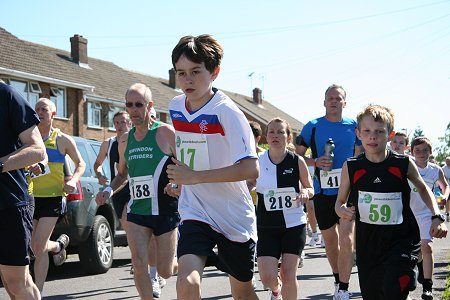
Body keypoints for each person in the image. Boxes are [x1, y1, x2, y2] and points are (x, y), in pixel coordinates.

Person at [167, 34, 259, 300]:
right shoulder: (175, 107)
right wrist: (181, 180)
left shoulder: (228, 113)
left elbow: (251, 169)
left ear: (214, 72)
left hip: (233, 217)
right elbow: (193, 151)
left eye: (196, 72)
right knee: (186, 283)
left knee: (241, 292)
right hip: (195, 211)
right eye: (181, 73)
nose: (188, 80)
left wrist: (195, 177)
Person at [335, 104, 448, 300]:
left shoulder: (402, 163)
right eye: (367, 131)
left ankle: (409, 274)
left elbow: (423, 189)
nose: (373, 137)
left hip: (400, 239)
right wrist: (342, 210)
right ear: (358, 133)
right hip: (368, 243)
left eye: (379, 131)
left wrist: (437, 216)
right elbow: (339, 202)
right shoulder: (351, 166)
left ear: (390, 134)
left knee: (395, 286)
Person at [96, 83, 179, 300]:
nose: (133, 110)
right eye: (129, 105)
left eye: (138, 104)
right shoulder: (125, 141)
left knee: (165, 271)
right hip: (138, 211)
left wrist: (178, 186)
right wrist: (108, 190)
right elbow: (122, 175)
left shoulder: (165, 133)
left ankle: (177, 258)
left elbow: (186, 166)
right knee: (139, 263)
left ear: (150, 106)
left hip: (165, 210)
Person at [295, 84, 362, 299]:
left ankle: (344, 286)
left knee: (346, 241)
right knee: (331, 242)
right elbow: (296, 158)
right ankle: (337, 279)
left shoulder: (355, 126)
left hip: (349, 191)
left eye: (338, 98)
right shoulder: (312, 126)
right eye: (330, 98)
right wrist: (315, 161)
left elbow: (362, 157)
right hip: (322, 192)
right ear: (324, 102)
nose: (334, 101)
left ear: (345, 102)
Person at [31, 98, 86, 294]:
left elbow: (81, 164)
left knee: (38, 246)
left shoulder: (62, 139)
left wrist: (73, 181)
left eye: (43, 109)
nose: (39, 112)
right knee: (36, 246)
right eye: (36, 109)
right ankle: (58, 246)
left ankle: (37, 292)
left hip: (53, 198)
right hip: (30, 198)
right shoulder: (29, 139)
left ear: (53, 114)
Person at [255, 117, 314, 299]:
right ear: (266, 136)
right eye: (271, 131)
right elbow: (248, 182)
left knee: (288, 275)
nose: (275, 135)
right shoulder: (258, 160)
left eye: (280, 132)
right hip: (266, 226)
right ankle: (275, 289)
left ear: (288, 137)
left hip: (293, 224)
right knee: (266, 278)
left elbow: (310, 188)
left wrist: (305, 193)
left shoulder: (296, 161)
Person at [0, 82, 46, 299]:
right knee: (9, 282)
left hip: (9, 204)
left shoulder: (7, 95)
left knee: (17, 283)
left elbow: (38, 150)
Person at [409, 136, 449, 299]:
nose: (421, 153)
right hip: (408, 213)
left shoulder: (435, 170)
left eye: (425, 150)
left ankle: (427, 287)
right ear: (412, 152)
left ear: (430, 152)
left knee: (427, 247)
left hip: (426, 213)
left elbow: (445, 185)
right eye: (417, 150)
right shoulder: (408, 166)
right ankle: (417, 266)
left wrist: (445, 196)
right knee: (412, 251)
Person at [94, 111, 132, 230]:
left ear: (130, 123)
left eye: (123, 122)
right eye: (116, 123)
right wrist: (99, 175)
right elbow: (97, 164)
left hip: (134, 188)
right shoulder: (108, 143)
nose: (119, 125)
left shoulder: (136, 141)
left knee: (132, 224)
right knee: (128, 228)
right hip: (117, 189)